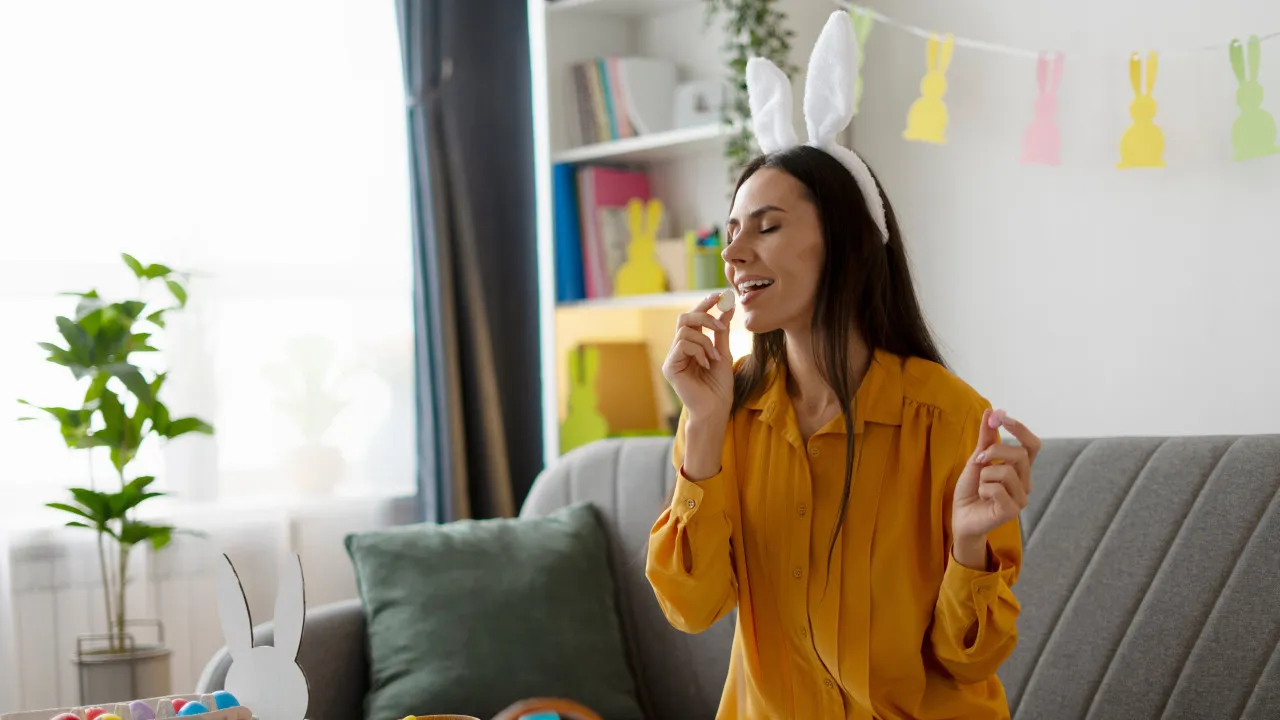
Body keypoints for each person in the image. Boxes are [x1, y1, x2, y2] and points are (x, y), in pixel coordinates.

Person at [644, 11, 1040, 720]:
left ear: (849, 244)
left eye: (767, 227)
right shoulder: (723, 413)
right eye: (732, 232)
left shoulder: (950, 422)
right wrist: (701, 429)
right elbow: (691, 608)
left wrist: (969, 544)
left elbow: (969, 659)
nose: (735, 255)